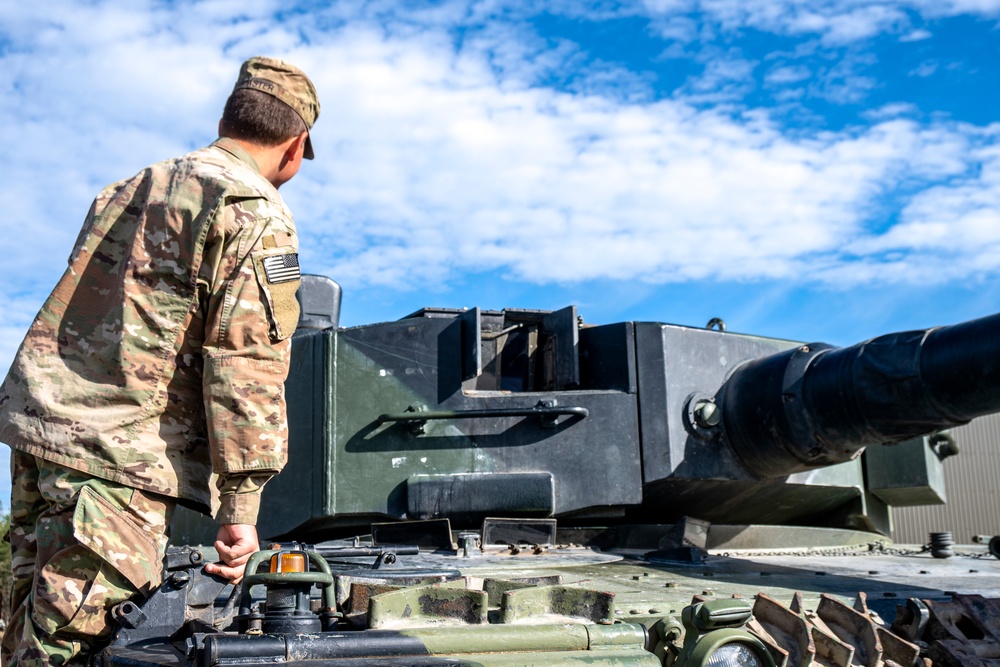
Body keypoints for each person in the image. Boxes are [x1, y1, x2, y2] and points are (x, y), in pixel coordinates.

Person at [0, 56, 319, 667]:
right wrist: (240, 511)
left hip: (41, 439)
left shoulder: (127, 187)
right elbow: (245, 364)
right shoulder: (252, 208)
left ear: (228, 119)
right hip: (120, 463)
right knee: (80, 650)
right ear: (295, 143)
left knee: (23, 638)